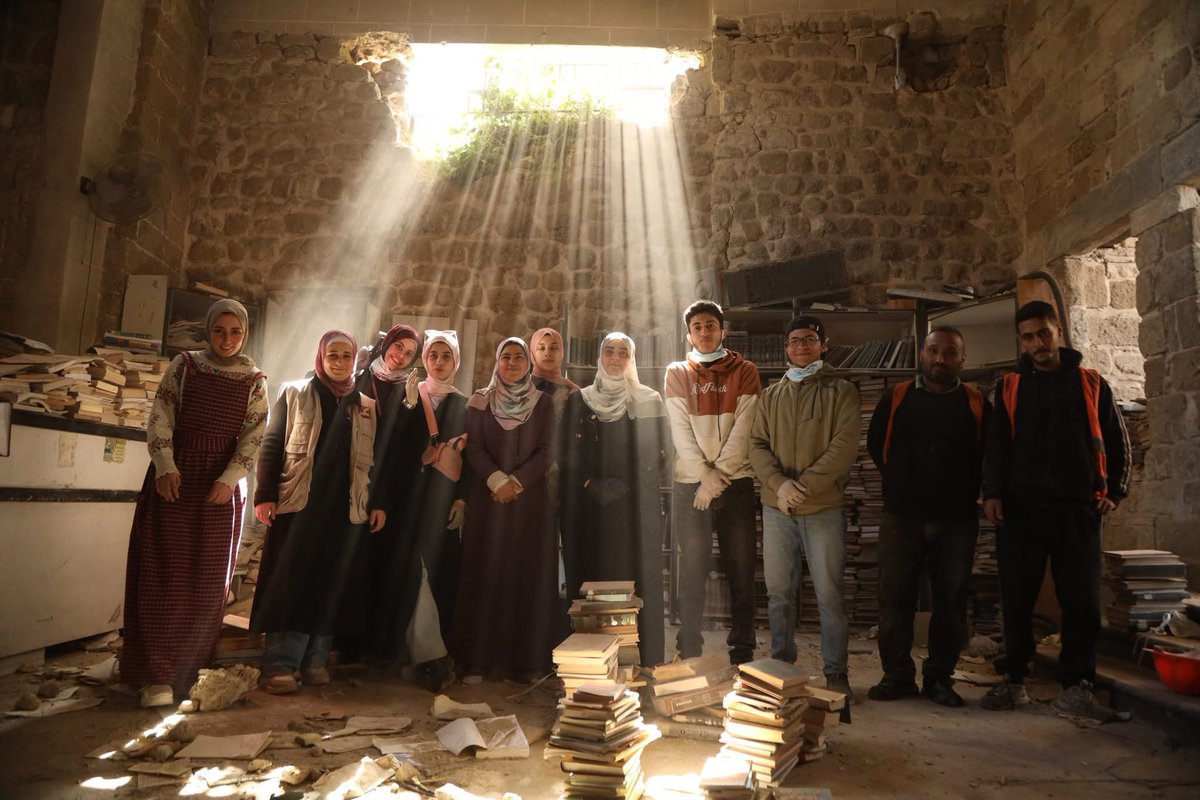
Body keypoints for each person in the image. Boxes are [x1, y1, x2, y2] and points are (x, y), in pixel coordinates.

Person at [980, 301, 1130, 718]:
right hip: (1020, 511)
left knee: (1080, 600)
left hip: (1077, 510)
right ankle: (1013, 681)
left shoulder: (1092, 384)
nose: (1037, 343)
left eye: (1043, 333)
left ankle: (1077, 687)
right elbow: (996, 448)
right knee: (1016, 599)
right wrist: (992, 492)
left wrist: (1115, 492)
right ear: (1021, 341)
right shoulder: (1009, 387)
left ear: (1058, 331)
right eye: (1028, 337)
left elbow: (1119, 443)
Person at [120, 299, 268, 708]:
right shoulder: (185, 366)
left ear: (245, 334)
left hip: (219, 489)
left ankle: (188, 673)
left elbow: (254, 436)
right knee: (162, 573)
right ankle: (155, 674)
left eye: (234, 332)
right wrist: (165, 465)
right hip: (177, 479)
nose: (226, 339)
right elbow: (160, 416)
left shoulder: (254, 379)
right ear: (208, 331)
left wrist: (228, 480)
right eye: (219, 331)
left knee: (206, 581)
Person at [250, 330, 387, 694]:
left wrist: (376, 503)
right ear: (321, 357)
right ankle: (280, 663)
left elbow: (375, 462)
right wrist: (265, 495)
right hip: (299, 504)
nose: (340, 363)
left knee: (330, 584)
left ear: (355, 360)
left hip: (344, 510)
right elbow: (272, 443)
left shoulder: (366, 404)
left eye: (346, 356)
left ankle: (315, 660)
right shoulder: (294, 392)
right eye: (333, 355)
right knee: (292, 583)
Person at [865, 327, 991, 707]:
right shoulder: (897, 397)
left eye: (950, 352)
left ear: (962, 359)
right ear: (922, 354)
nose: (940, 359)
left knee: (951, 602)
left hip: (956, 520)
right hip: (902, 517)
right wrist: (904, 484)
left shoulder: (977, 403)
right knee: (894, 599)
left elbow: (990, 453)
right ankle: (897, 675)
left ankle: (940, 679)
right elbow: (876, 446)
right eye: (934, 351)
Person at [749, 315, 858, 698]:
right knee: (779, 594)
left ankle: (836, 674)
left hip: (822, 509)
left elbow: (843, 449)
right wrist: (780, 485)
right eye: (794, 341)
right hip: (777, 508)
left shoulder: (841, 391)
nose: (801, 347)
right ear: (786, 348)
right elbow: (756, 446)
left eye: (809, 340)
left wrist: (803, 488)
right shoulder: (770, 395)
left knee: (830, 597)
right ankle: (781, 670)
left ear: (823, 345)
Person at [450, 337, 562, 681]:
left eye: (518, 357)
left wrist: (518, 481)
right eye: (506, 357)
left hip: (530, 505)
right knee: (485, 576)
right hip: (489, 501)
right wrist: (498, 480)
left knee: (526, 579)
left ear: (529, 363)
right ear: (496, 363)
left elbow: (547, 450)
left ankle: (525, 662)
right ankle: (476, 661)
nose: (512, 363)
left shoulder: (543, 403)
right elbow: (474, 449)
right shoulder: (479, 402)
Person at [561, 332, 669, 666]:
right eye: (609, 351)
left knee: (635, 583)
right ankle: (589, 665)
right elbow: (567, 452)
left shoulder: (649, 400)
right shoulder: (579, 400)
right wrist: (590, 483)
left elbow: (659, 455)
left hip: (634, 509)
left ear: (631, 359)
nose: (615, 358)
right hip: (587, 508)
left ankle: (640, 664)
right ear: (600, 357)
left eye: (623, 352)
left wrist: (622, 485)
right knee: (589, 586)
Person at [665, 300, 761, 665]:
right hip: (690, 483)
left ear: (723, 331)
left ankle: (742, 651)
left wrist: (714, 481)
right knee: (692, 569)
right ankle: (688, 648)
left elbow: (744, 429)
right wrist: (703, 477)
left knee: (740, 569)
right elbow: (679, 430)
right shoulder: (676, 372)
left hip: (734, 484)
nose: (704, 332)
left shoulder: (746, 370)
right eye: (697, 327)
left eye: (710, 325)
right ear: (689, 334)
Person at [370, 331, 468, 690]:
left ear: (455, 361)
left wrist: (463, 499)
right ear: (424, 359)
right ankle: (429, 657)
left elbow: (469, 459)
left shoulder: (465, 404)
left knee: (437, 577)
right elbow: (392, 451)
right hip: (408, 499)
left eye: (446, 356)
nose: (439, 362)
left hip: (442, 500)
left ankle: (429, 655)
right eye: (433, 355)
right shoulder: (410, 395)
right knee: (414, 577)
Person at [529, 327, 579, 413]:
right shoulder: (522, 388)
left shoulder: (571, 392)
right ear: (533, 353)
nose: (547, 353)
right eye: (541, 348)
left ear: (561, 353)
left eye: (553, 348)